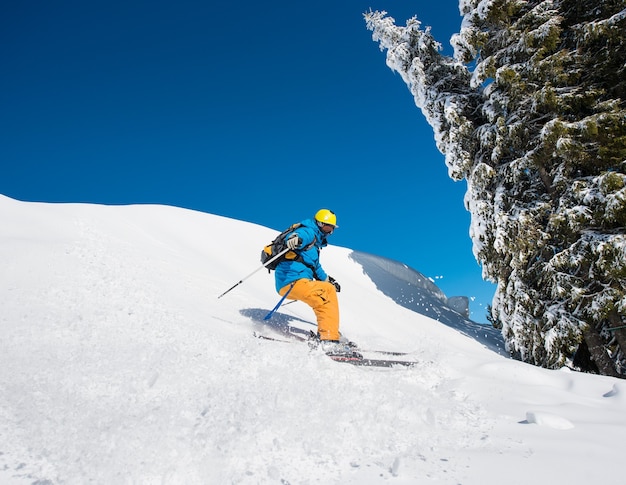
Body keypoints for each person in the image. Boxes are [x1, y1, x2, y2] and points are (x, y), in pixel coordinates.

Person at [274, 209, 353, 355]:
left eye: (332, 229)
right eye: (327, 228)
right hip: (292, 280)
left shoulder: (314, 246)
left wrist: (329, 280)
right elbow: (299, 236)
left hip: (295, 282)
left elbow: (316, 268)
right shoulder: (309, 232)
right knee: (327, 292)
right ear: (320, 223)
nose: (329, 232)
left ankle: (328, 333)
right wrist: (295, 238)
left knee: (325, 292)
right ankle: (328, 340)